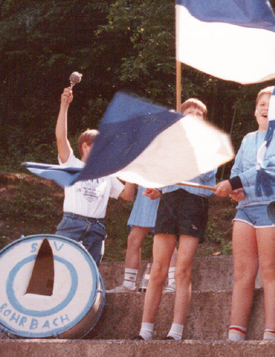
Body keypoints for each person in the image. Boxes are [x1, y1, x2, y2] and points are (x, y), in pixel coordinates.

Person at [215, 87, 275, 342]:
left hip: (273, 207)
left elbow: (267, 169)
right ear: (254, 110)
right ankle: (235, 332)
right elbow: (237, 169)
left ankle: (271, 333)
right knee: (242, 272)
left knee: (271, 270)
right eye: (261, 104)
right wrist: (234, 189)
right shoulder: (248, 138)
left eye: (271, 104)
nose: (265, 108)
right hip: (245, 210)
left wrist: (235, 181)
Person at [134, 98, 217, 341]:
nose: (193, 115)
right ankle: (145, 330)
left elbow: (205, 173)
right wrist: (156, 190)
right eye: (188, 112)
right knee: (158, 267)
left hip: (194, 203)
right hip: (169, 202)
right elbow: (166, 179)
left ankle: (176, 330)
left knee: (182, 270)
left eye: (198, 114)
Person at [55, 87, 134, 265]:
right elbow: (61, 138)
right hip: (71, 224)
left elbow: (127, 196)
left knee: (89, 274)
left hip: (97, 227)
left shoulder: (106, 172)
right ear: (85, 146)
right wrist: (64, 106)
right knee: (60, 268)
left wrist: (131, 172)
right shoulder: (72, 164)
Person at [106, 186, 162, 293]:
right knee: (133, 239)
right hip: (145, 195)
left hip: (163, 192)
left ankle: (173, 282)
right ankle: (129, 284)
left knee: (165, 239)